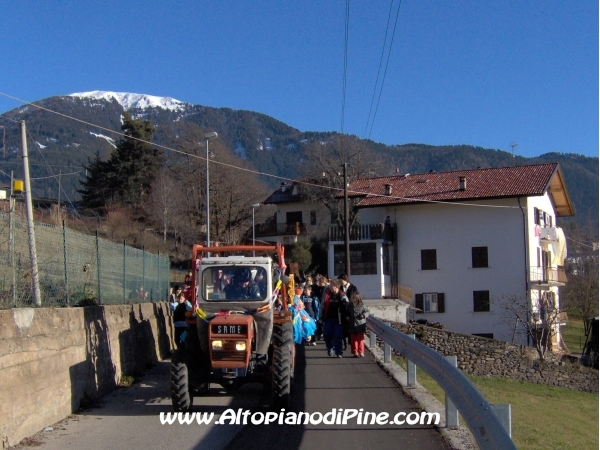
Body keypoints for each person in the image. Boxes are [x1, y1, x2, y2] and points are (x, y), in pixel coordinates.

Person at [319, 279, 348, 358]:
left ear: (336, 286)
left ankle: (339, 352)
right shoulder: (327, 294)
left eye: (332, 286)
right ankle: (330, 347)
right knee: (327, 335)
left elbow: (347, 307)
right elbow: (322, 305)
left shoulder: (342, 295)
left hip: (338, 320)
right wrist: (320, 317)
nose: (330, 287)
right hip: (328, 318)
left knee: (338, 336)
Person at [338, 274, 357, 350]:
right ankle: (345, 344)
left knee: (350, 326)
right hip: (342, 309)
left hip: (350, 309)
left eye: (341, 280)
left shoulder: (352, 288)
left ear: (345, 280)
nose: (340, 282)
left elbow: (356, 297)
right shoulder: (340, 288)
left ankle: (350, 341)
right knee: (343, 327)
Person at [348, 292, 369, 357]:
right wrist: (347, 317)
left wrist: (363, 315)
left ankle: (361, 351)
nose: (351, 299)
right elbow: (347, 313)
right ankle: (355, 352)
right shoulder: (350, 306)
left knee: (360, 339)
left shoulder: (362, 305)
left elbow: (367, 311)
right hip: (352, 325)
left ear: (357, 299)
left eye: (353, 298)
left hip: (360, 325)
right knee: (353, 339)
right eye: (351, 298)